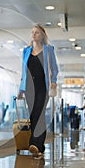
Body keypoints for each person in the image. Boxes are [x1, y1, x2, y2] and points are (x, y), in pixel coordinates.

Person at [17, 24, 58, 158]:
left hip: (42, 87)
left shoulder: (48, 50)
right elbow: (24, 72)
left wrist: (53, 81)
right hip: (29, 87)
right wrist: (21, 89)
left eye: (37, 33)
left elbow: (54, 68)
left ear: (42, 36)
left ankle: (34, 143)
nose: (34, 34)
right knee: (33, 115)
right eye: (32, 32)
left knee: (39, 113)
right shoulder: (26, 51)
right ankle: (39, 147)